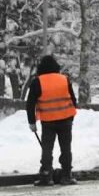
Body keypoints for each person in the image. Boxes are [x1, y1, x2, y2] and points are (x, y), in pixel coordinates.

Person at [25, 54, 78, 186]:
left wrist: (32, 122)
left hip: (48, 121)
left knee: (47, 149)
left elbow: (30, 103)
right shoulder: (64, 79)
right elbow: (73, 99)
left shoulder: (37, 81)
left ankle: (46, 176)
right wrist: (70, 116)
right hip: (66, 120)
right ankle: (66, 175)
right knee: (66, 148)